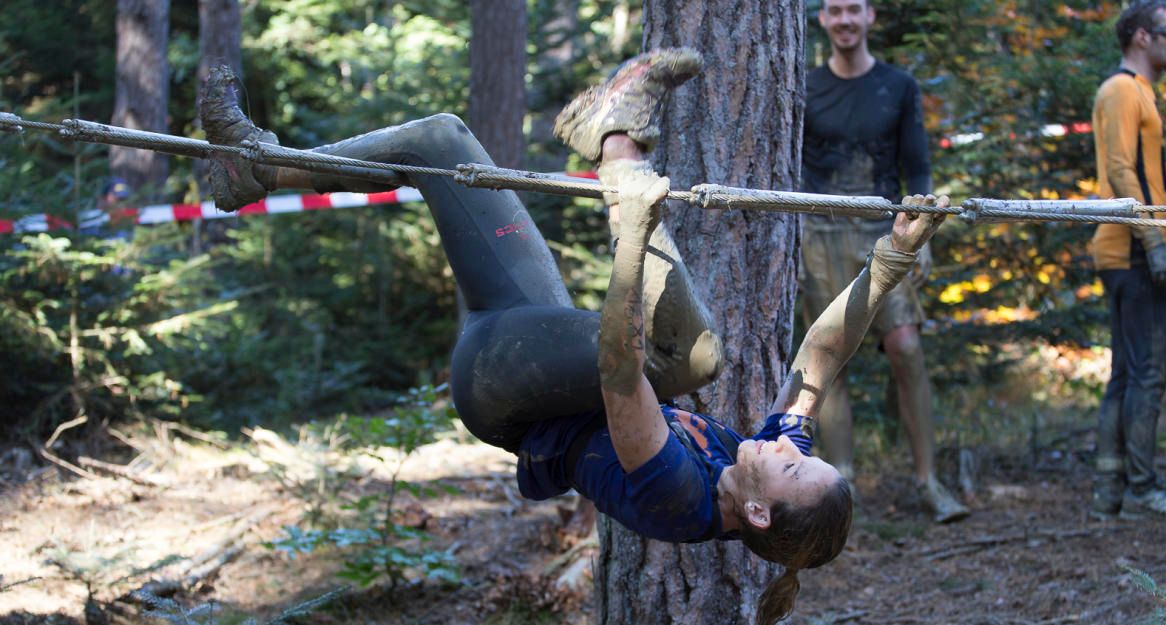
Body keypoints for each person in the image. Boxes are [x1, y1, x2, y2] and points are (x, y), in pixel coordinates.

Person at [199, 49, 948, 625]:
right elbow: (819, 358)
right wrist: (891, 259)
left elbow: (618, 366)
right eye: (799, 451)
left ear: (758, 513)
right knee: (439, 141)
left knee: (692, 359)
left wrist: (631, 230)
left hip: (498, 386)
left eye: (791, 466)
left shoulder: (676, 496)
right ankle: (252, 168)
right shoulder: (757, 465)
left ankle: (619, 151)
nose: (790, 445)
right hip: (530, 342)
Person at [800, 0, 968, 523]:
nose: (845, 20)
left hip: (884, 231)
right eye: (835, 11)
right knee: (829, 361)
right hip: (818, 232)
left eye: (855, 10)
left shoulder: (898, 86)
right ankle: (841, 489)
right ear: (823, 20)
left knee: (906, 347)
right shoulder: (803, 86)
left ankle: (928, 482)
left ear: (870, 17)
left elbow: (917, 166)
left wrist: (925, 235)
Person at [1088, 0, 1166, 521]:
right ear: (1140, 36)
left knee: (1126, 374)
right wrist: (1154, 241)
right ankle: (1140, 489)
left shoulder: (1138, 92)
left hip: (1130, 248)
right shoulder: (1121, 90)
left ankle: (1109, 489)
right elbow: (1119, 168)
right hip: (1132, 251)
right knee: (1148, 374)